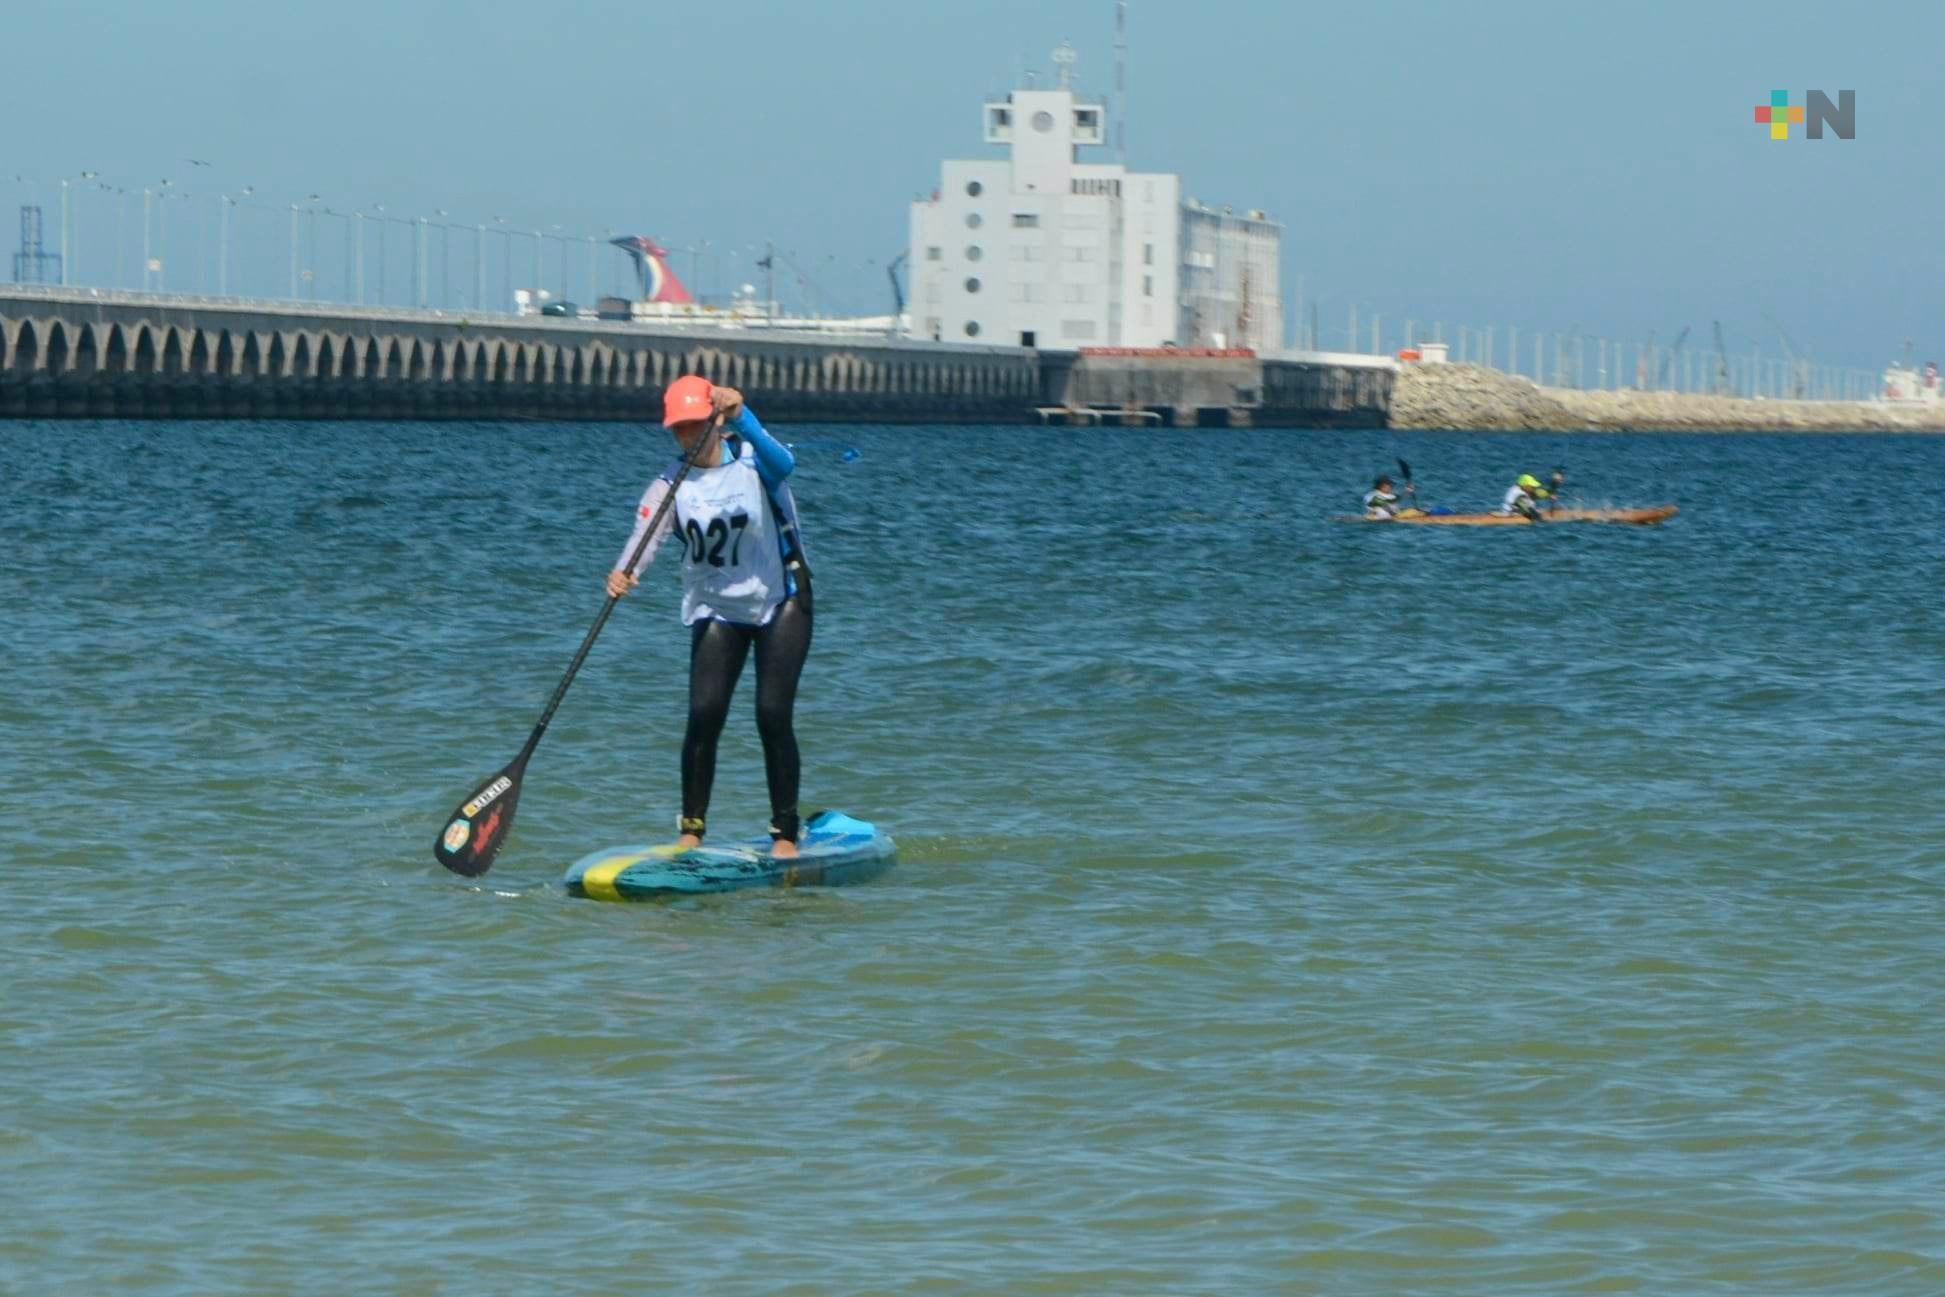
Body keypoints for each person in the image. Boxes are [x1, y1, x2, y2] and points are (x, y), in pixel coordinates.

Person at [605, 376, 813, 859]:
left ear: (715, 423)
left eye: (697, 425)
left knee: (771, 714)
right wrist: (623, 572)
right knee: (704, 715)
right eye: (680, 428)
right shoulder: (669, 485)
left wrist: (744, 415)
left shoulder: (754, 461)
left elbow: (787, 462)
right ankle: (692, 830)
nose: (689, 436)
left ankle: (785, 833)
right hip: (718, 607)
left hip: (780, 599)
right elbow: (645, 537)